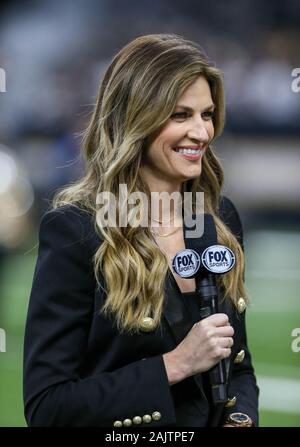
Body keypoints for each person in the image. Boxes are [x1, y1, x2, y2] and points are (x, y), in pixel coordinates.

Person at [23, 33, 259, 427]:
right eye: (180, 115)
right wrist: (174, 365)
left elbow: (238, 367)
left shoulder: (217, 219)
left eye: (206, 114)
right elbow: (47, 407)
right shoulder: (77, 230)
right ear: (136, 118)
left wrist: (241, 418)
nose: (201, 133)